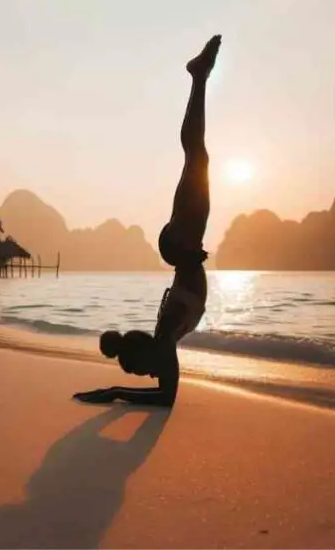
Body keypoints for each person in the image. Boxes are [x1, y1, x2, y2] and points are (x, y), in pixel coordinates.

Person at [73, 34, 221, 407]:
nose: (150, 376)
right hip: (179, 246)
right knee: (196, 157)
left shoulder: (166, 336)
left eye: (141, 372)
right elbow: (164, 392)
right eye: (141, 376)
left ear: (143, 356)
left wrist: (116, 393)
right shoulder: (163, 338)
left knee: (196, 156)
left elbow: (165, 397)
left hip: (181, 244)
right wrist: (119, 391)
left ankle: (198, 77)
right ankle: (198, 77)